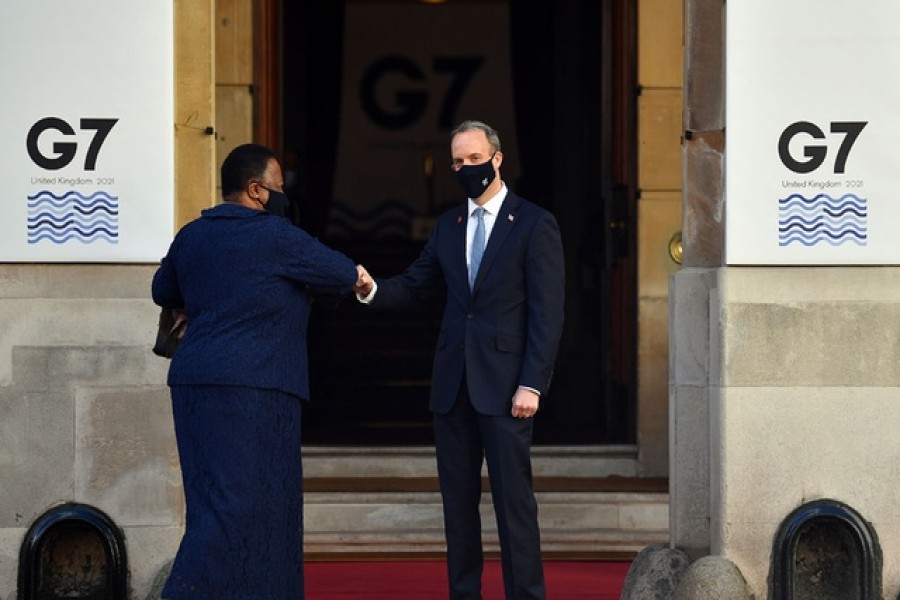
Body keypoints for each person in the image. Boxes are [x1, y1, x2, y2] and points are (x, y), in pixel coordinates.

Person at [355, 120, 565, 600]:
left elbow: (547, 312)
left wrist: (532, 383)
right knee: (458, 506)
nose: (466, 169)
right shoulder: (448, 226)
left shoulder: (534, 223)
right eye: (457, 162)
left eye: (474, 159)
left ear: (497, 158)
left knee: (514, 505)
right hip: (452, 388)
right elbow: (415, 285)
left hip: (508, 386)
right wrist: (372, 290)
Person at [152, 143, 362, 599]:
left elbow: (161, 287)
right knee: (253, 509)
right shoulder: (276, 236)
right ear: (256, 190)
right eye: (279, 188)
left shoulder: (192, 234)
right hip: (258, 389)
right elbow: (340, 273)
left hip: (194, 384)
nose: (284, 197)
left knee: (214, 504)